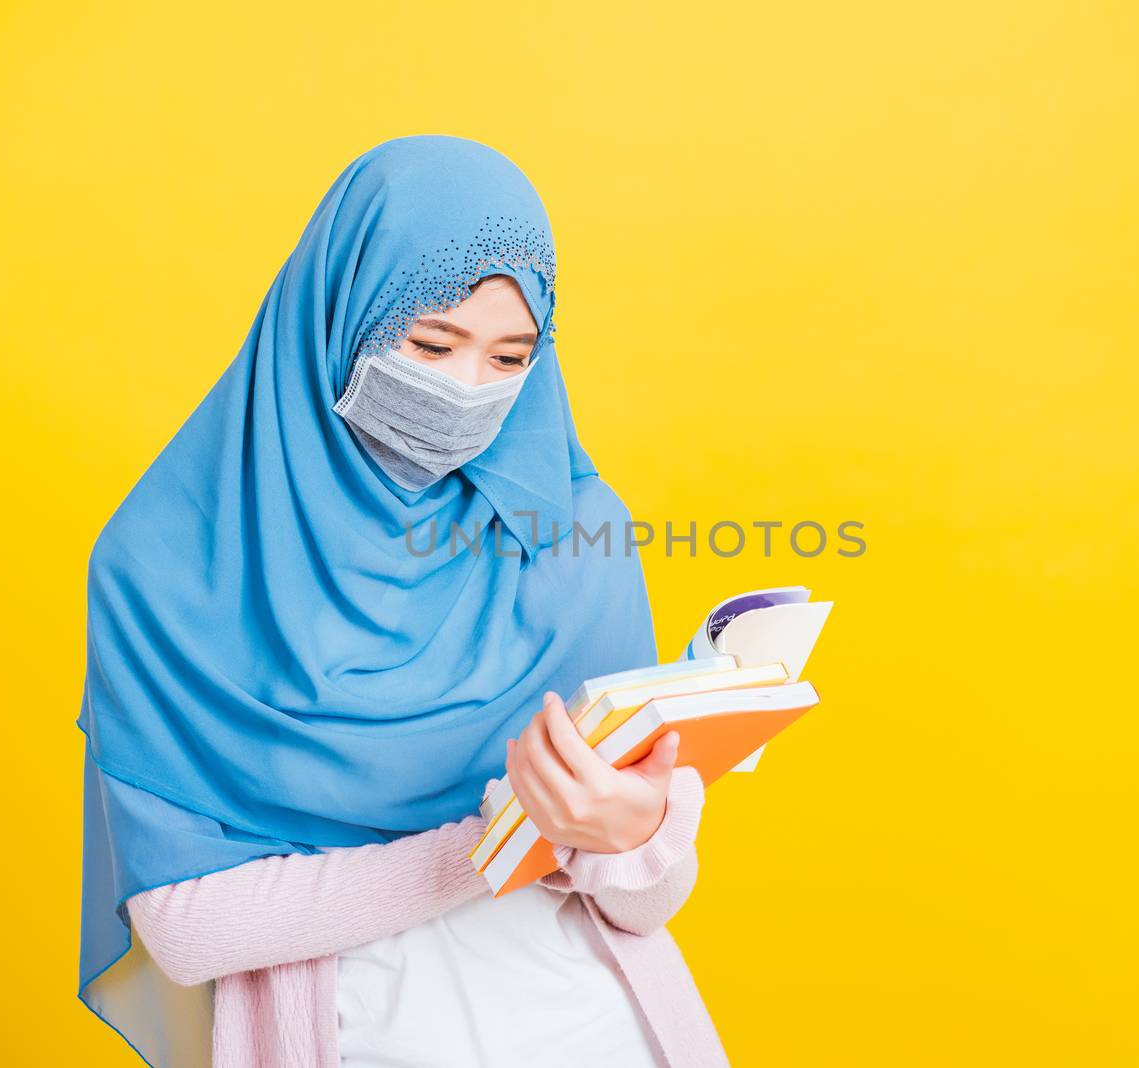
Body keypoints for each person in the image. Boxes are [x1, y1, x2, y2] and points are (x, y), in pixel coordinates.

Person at [75, 135, 731, 1068]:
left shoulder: (574, 535)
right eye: (432, 344)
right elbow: (188, 926)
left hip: (602, 1032)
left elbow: (643, 901)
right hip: (345, 1038)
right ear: (339, 313)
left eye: (512, 358)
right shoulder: (163, 569)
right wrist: (503, 843)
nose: (467, 392)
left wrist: (632, 833)